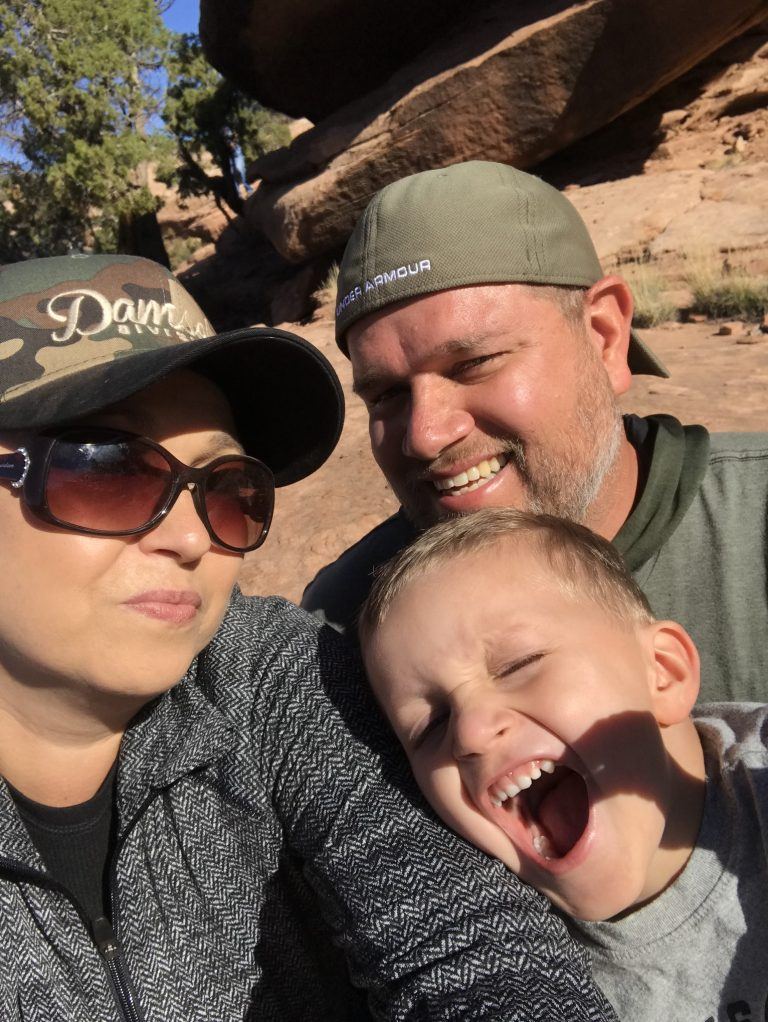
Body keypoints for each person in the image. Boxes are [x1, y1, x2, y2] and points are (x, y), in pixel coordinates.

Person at [0, 254, 616, 1021]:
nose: (190, 538)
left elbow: (475, 946)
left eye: (227, 490)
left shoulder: (270, 675)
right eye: (108, 470)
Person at [301, 160, 768, 703]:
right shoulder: (344, 631)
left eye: (473, 363)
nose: (424, 436)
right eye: (386, 394)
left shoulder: (754, 522)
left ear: (605, 337)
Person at [358, 507, 768, 1019]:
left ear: (662, 672)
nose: (469, 732)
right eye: (430, 725)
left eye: (517, 664)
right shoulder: (493, 956)